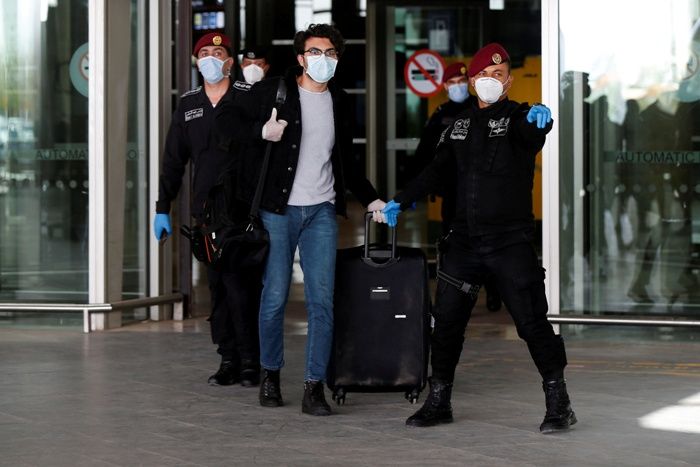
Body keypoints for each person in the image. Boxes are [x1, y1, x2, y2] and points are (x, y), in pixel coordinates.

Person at [379, 42, 577, 433]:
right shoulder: (458, 126)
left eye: (498, 75)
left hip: (509, 243)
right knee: (446, 325)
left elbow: (533, 133)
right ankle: (439, 401)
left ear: (509, 81)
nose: (490, 80)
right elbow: (435, 172)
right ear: (472, 81)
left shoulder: (519, 118)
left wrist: (541, 120)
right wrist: (401, 200)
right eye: (484, 75)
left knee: (532, 323)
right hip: (464, 243)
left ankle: (559, 402)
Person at [221, 24, 386, 416]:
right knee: (274, 296)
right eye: (314, 52)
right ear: (300, 58)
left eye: (329, 53)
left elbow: (346, 160)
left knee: (322, 301)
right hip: (278, 212)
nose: (322, 59)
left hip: (321, 211)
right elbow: (225, 121)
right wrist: (261, 131)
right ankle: (270, 375)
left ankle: (314, 387)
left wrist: (371, 198)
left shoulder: (340, 100)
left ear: (337, 59)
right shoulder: (273, 91)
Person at [153, 32, 262, 388]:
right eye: (204, 53)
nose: (211, 58)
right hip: (207, 213)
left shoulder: (248, 96)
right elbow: (173, 160)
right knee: (218, 288)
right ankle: (228, 358)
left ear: (230, 62)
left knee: (243, 287)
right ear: (196, 62)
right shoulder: (189, 104)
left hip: (244, 210)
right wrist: (163, 207)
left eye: (218, 52)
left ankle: (251, 360)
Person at [414, 61, 503, 313]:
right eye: (452, 83)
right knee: (453, 244)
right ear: (445, 86)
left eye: (461, 82)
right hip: (452, 192)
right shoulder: (441, 114)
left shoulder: (482, 108)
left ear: (470, 83)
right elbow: (424, 152)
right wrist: (416, 188)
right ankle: (454, 295)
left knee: (487, 243)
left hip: (482, 192)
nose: (457, 87)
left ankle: (493, 291)